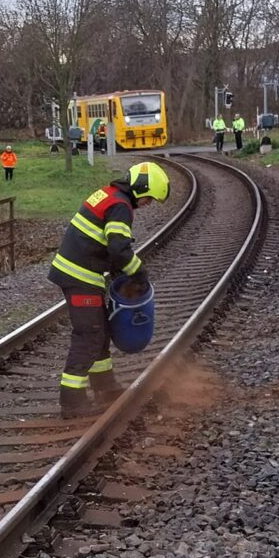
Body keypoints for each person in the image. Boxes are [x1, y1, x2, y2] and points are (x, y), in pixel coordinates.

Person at [48, 160, 171, 418]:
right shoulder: (120, 206)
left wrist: (121, 268)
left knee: (100, 332)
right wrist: (139, 272)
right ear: (140, 188)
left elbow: (109, 246)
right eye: (149, 199)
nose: (147, 205)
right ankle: (72, 401)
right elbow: (119, 249)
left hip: (79, 271)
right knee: (89, 335)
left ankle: (105, 387)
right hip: (79, 275)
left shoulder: (112, 196)